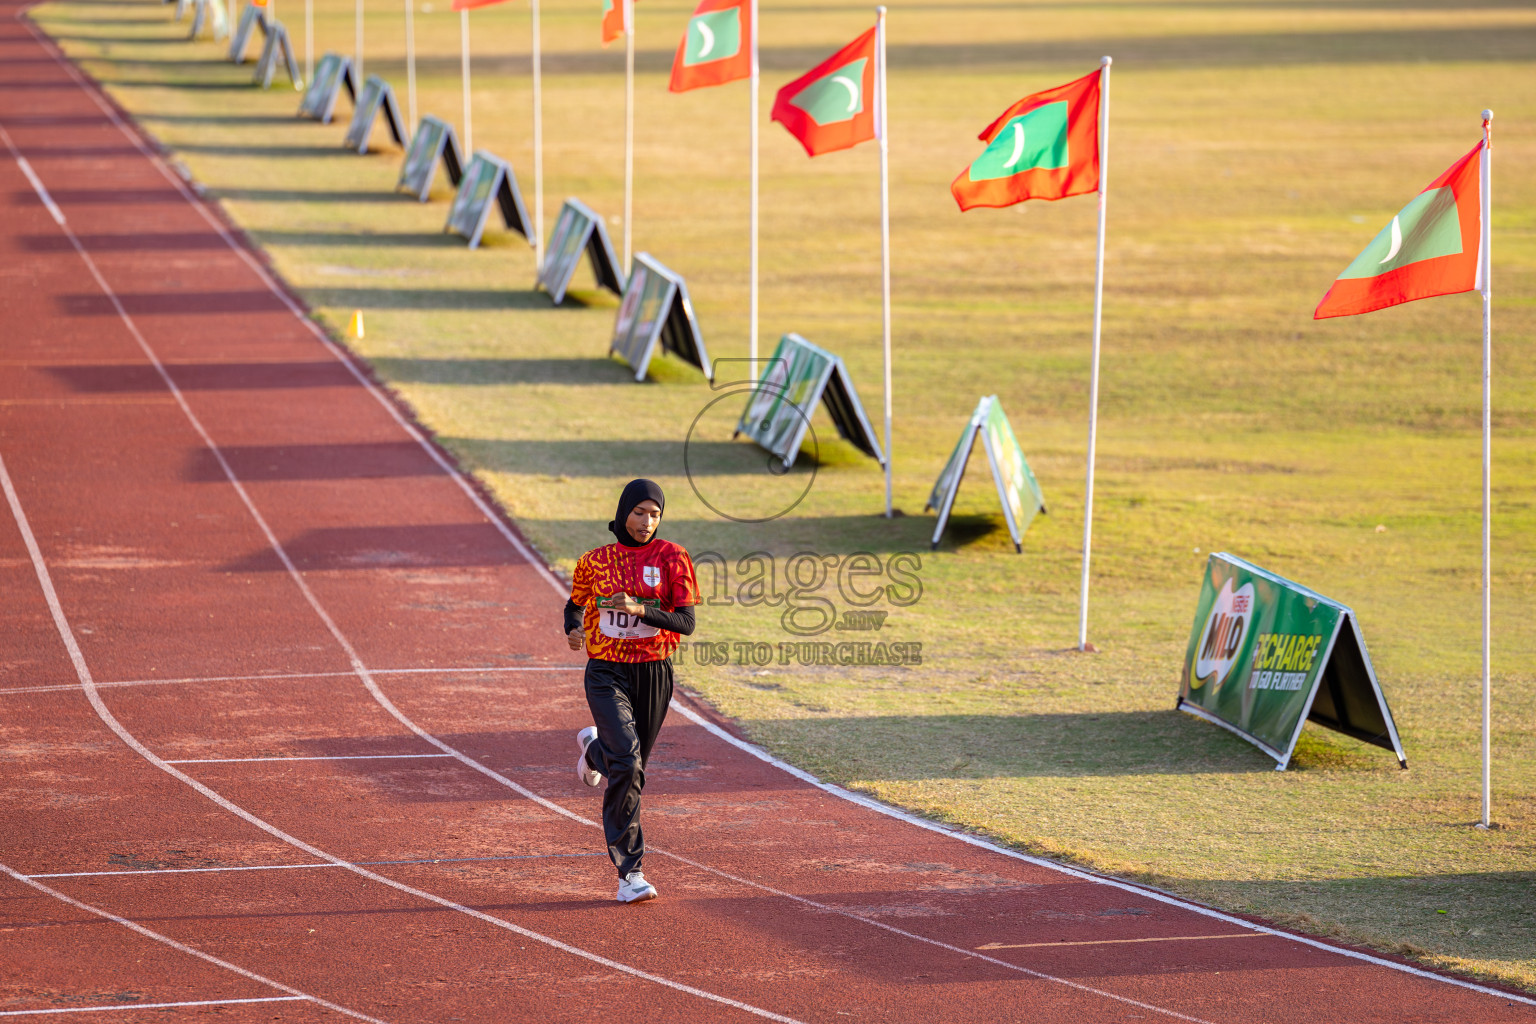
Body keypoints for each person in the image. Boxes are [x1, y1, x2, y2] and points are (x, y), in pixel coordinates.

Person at [564, 479, 698, 904]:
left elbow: (687, 622)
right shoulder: (594, 561)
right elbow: (574, 604)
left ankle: (593, 751)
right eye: (639, 513)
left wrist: (643, 610)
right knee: (627, 762)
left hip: (654, 672)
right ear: (624, 513)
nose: (647, 522)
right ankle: (630, 873)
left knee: (631, 765)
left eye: (655, 514)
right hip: (605, 672)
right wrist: (571, 628)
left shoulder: (672, 557)